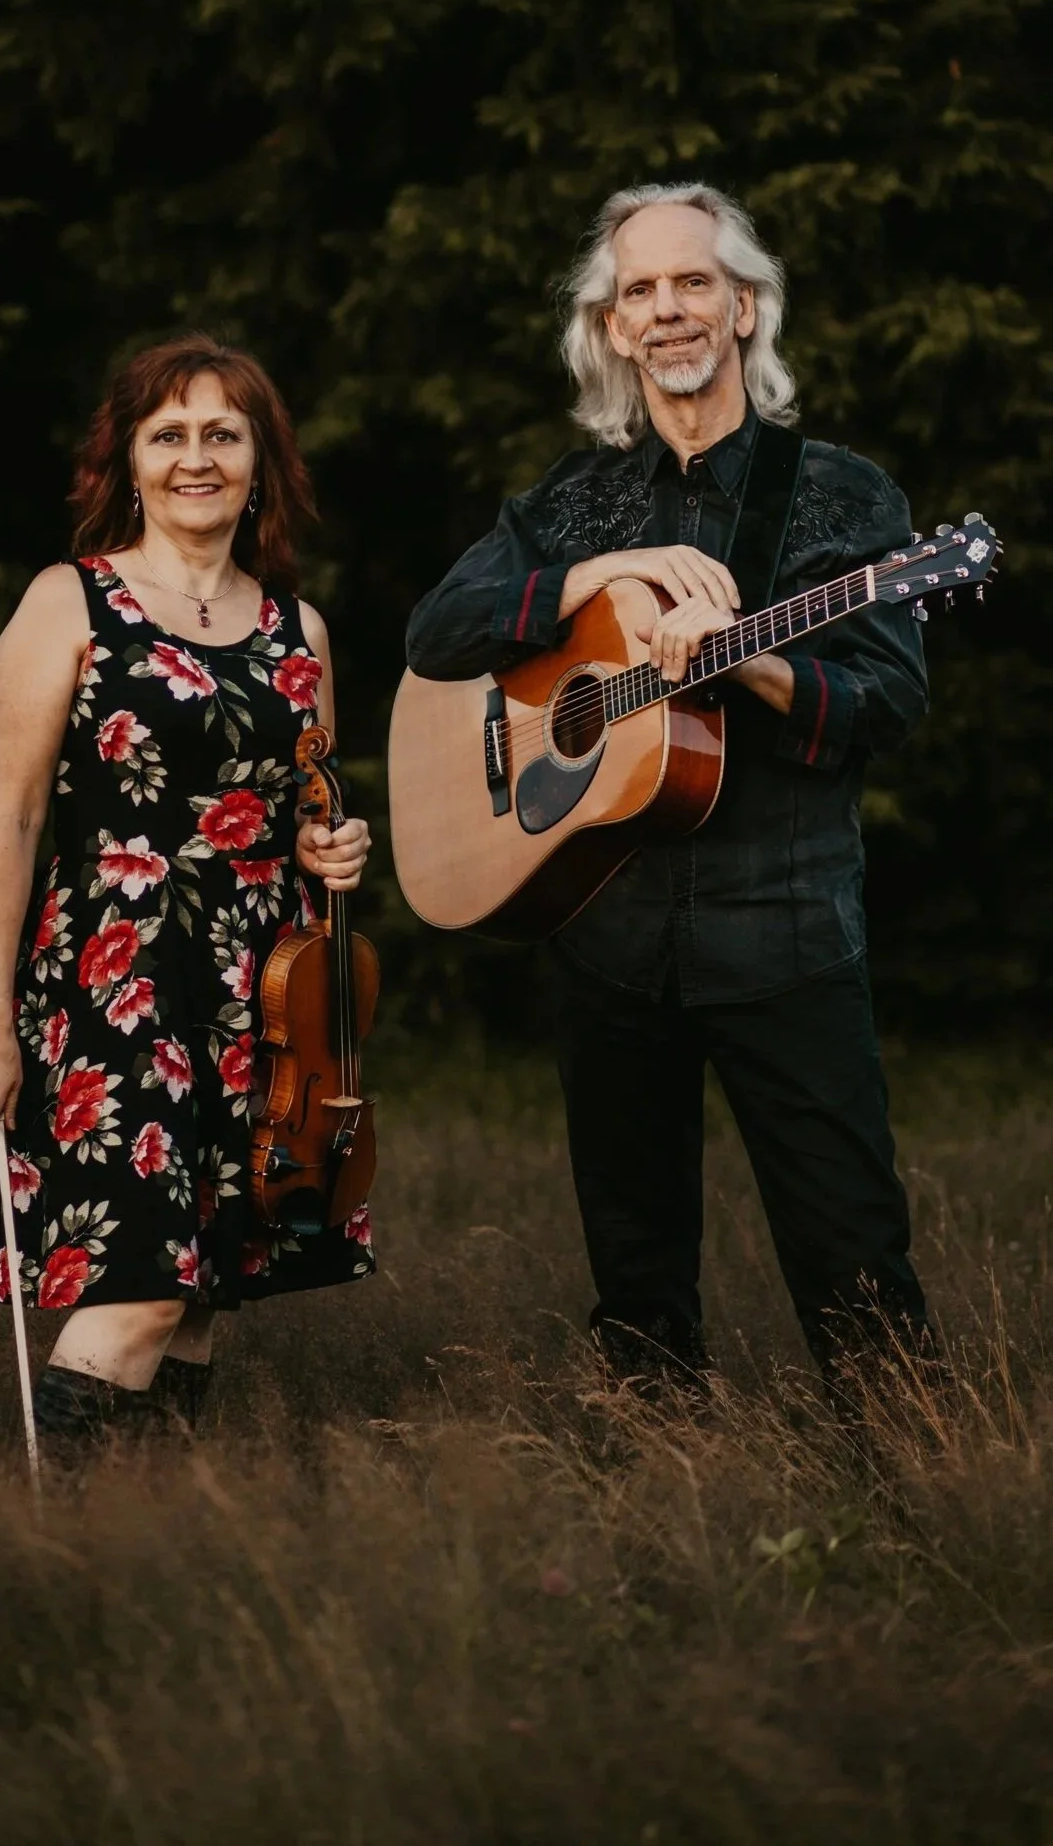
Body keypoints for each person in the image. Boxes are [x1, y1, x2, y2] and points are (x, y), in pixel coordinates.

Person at [405, 183, 932, 1400]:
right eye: (639, 290)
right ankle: (656, 1487)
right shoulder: (574, 500)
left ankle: (920, 1475)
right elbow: (438, 633)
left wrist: (745, 661)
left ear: (745, 308)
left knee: (855, 1259)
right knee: (636, 1284)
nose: (668, 309)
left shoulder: (840, 494)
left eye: (694, 281)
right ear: (612, 328)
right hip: (609, 937)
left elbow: (889, 704)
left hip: (784, 932)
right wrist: (603, 570)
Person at [0, 334, 373, 1446]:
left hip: (260, 990)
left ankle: (150, 1528)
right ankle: (40, 1528)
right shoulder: (70, 603)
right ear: (130, 462)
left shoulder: (298, 630)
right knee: (142, 1283)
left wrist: (330, 848)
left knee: (204, 1294)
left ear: (259, 463)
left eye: (223, 435)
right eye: (169, 434)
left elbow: (308, 811)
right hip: (117, 976)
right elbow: (12, 820)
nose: (197, 457)